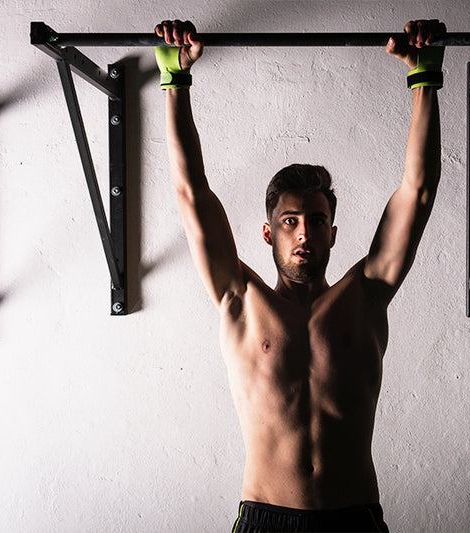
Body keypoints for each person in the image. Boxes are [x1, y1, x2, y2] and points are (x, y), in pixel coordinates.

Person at [155, 18, 446, 533]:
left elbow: (417, 192)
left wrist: (424, 80)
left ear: (333, 233)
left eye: (316, 221)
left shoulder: (366, 294)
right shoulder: (239, 299)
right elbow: (190, 192)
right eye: (290, 222)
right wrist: (175, 82)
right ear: (269, 234)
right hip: (267, 519)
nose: (304, 233)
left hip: (354, 518)